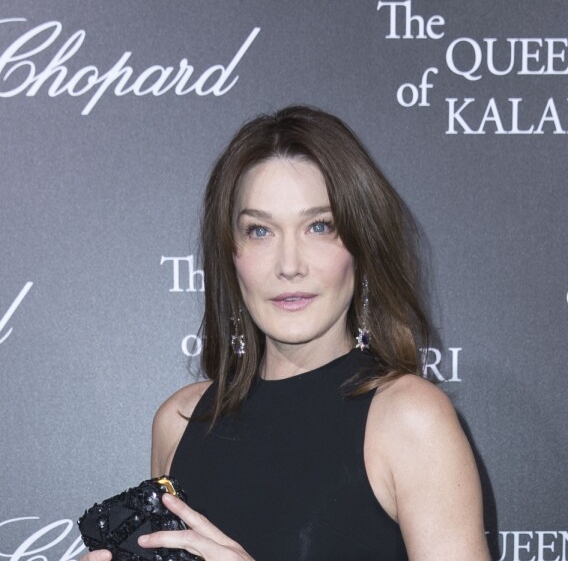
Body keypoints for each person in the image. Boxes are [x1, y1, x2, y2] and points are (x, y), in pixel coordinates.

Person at [83, 106, 490, 560]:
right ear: (230, 255)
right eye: (260, 231)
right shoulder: (180, 421)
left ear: (361, 244)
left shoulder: (408, 419)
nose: (289, 265)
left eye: (320, 226)